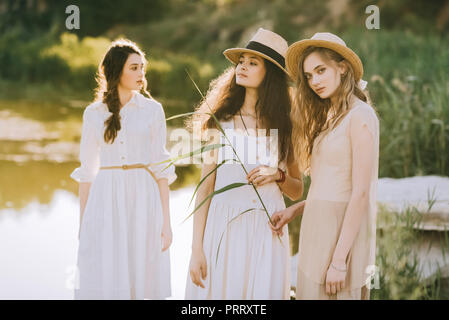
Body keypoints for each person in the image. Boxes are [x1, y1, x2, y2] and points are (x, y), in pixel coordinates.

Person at [185, 28, 303, 299]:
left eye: (253, 63)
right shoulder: (222, 120)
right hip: (223, 229)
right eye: (241, 61)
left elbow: (297, 190)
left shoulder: (285, 126)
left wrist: (278, 175)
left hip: (267, 230)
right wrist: (196, 249)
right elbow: (205, 190)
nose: (243, 67)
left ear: (269, 74)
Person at [271, 32, 379, 300]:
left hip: (339, 240)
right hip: (316, 231)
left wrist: (339, 261)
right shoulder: (330, 117)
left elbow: (360, 193)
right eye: (308, 76)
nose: (315, 81)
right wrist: (296, 208)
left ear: (342, 67)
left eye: (321, 70)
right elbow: (333, 185)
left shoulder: (360, 116)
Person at [70, 39, 176, 299]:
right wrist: (83, 224)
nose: (141, 74)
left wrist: (167, 222)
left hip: (143, 197)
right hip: (105, 198)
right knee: (106, 268)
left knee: (142, 268)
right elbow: (87, 172)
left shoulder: (153, 110)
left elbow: (161, 167)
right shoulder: (93, 113)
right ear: (116, 71)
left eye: (142, 68)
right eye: (134, 68)